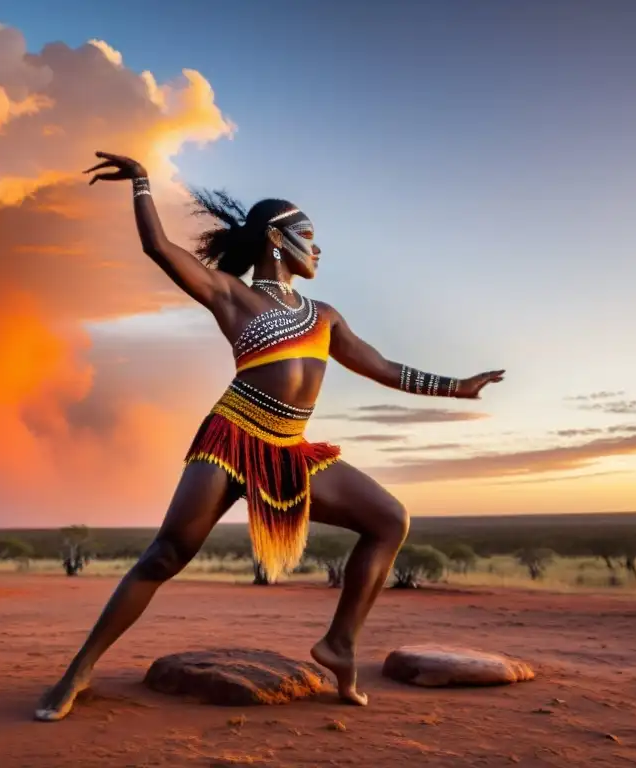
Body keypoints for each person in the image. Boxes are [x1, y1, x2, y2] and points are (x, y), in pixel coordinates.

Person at [35, 151, 505, 721]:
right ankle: (80, 669)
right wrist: (140, 183)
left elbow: (382, 367)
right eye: (310, 235)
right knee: (166, 555)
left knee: (390, 520)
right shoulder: (233, 296)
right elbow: (159, 249)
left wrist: (459, 387)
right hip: (232, 439)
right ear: (278, 241)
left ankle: (339, 644)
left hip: (290, 451)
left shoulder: (324, 316)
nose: (320, 247)